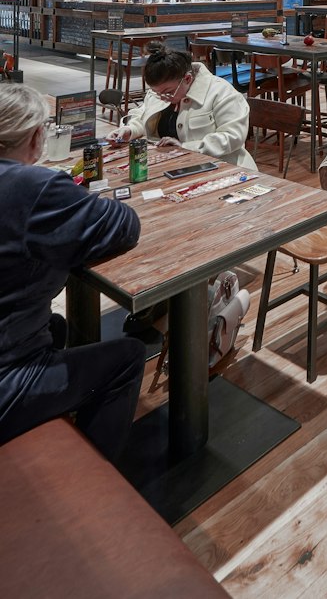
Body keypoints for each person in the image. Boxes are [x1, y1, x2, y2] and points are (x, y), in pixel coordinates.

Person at [0, 86, 144, 461]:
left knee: (58, 327)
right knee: (128, 356)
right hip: (6, 377)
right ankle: (93, 478)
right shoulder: (31, 187)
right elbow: (124, 224)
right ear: (35, 136)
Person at [111, 43, 255, 170]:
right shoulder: (162, 90)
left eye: (168, 92)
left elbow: (232, 137)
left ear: (187, 78)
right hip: (174, 166)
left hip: (223, 169)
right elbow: (142, 114)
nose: (161, 97)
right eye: (156, 92)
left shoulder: (221, 93)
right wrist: (130, 130)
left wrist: (186, 147)